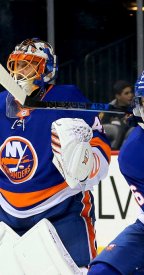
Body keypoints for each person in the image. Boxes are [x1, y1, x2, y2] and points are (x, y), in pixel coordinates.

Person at [0, 38, 111, 272]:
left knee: (77, 271)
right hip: (6, 212)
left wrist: (86, 164)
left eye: (28, 65)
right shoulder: (0, 103)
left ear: (47, 70)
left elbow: (100, 147)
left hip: (60, 208)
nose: (20, 72)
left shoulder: (67, 98)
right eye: (16, 65)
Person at [100, 80, 135, 149]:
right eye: (126, 93)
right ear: (118, 96)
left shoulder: (136, 110)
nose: (131, 95)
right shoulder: (108, 110)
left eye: (131, 92)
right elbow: (103, 128)